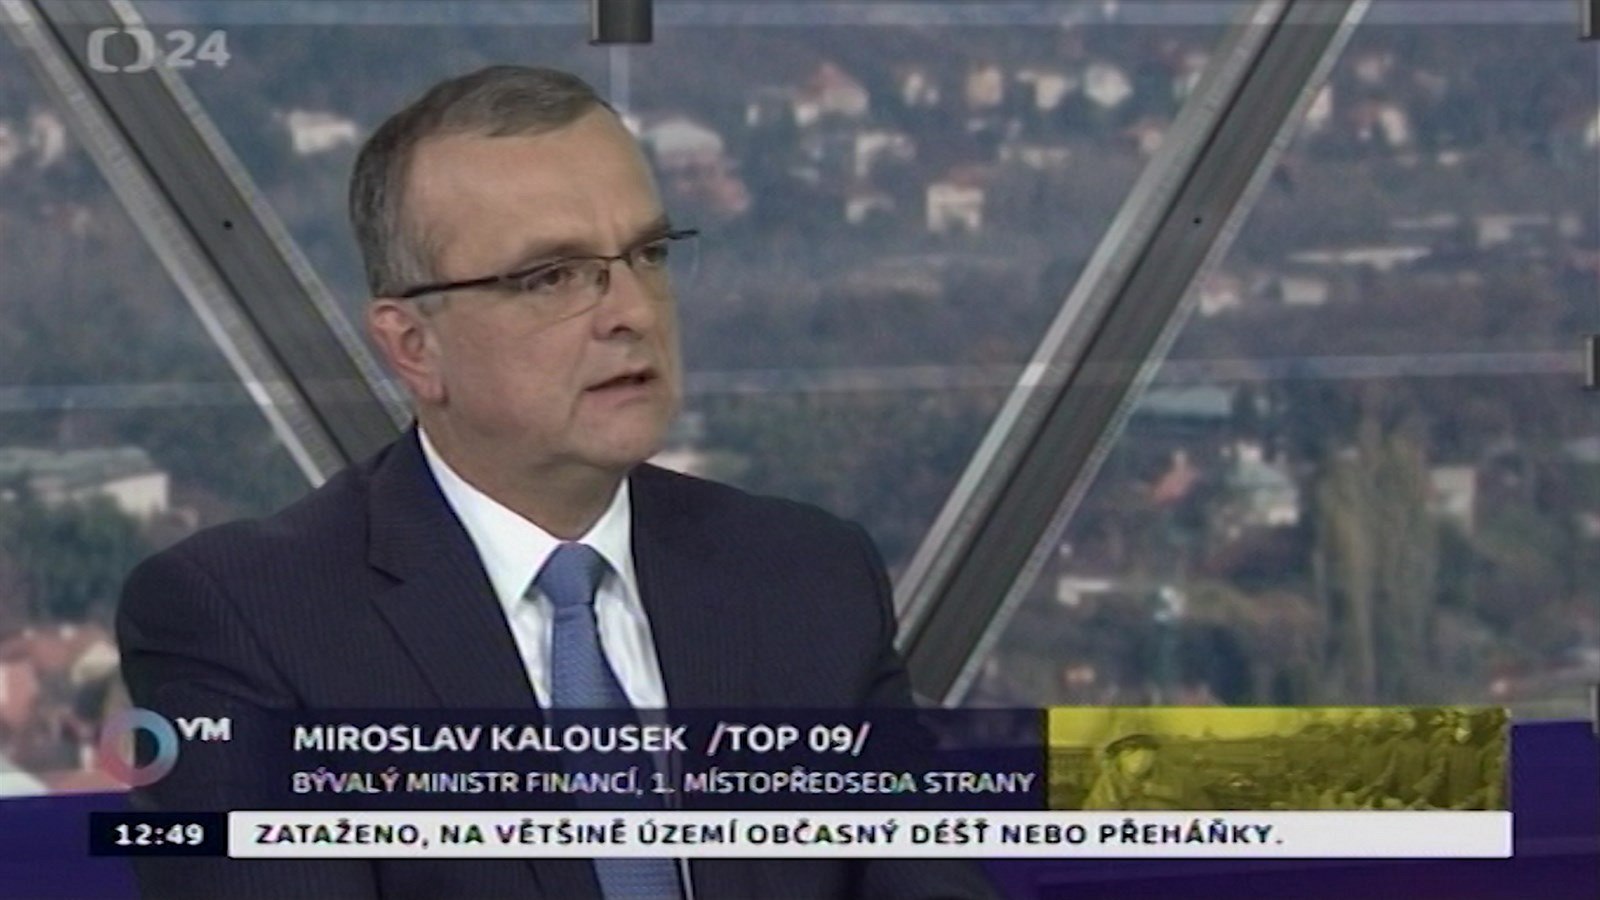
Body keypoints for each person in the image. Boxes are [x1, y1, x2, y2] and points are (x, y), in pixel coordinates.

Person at [115, 65, 997, 900]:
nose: (632, 312)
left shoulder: (809, 577)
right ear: (413, 347)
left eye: (647, 254)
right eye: (552, 277)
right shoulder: (247, 622)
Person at [1081, 733, 1207, 810]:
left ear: (1155, 756)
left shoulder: (1178, 780)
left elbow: (1204, 814)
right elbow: (1092, 822)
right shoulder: (1107, 786)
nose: (1140, 760)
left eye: (1147, 755)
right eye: (1130, 753)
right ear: (1119, 758)